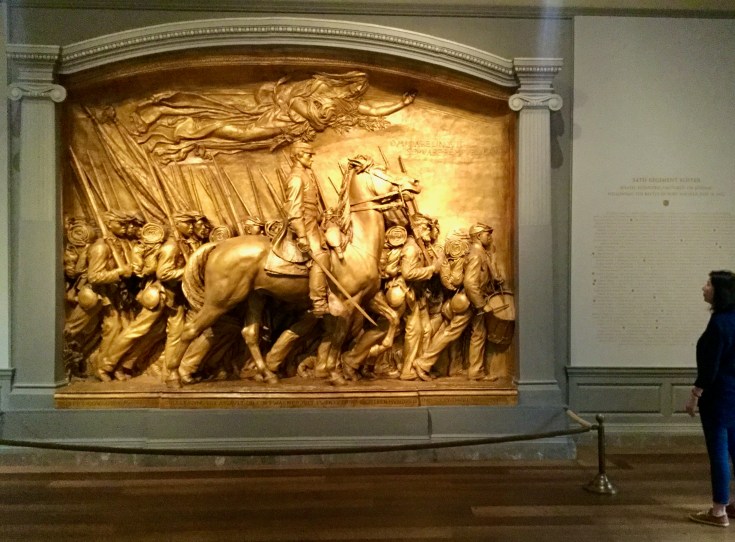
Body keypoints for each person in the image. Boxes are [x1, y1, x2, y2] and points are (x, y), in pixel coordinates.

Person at [687, 270, 735, 528]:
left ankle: (718, 511)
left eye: (708, 284)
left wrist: (695, 395)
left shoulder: (719, 323)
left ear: (720, 291)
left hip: (719, 396)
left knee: (718, 452)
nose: (704, 288)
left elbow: (710, 368)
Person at [284, 141, 331, 317]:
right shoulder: (296, 178)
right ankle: (319, 302)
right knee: (320, 255)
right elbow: (294, 210)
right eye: (308, 155)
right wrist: (302, 236)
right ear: (298, 156)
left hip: (312, 221)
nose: (312, 158)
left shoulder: (305, 175)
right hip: (305, 224)